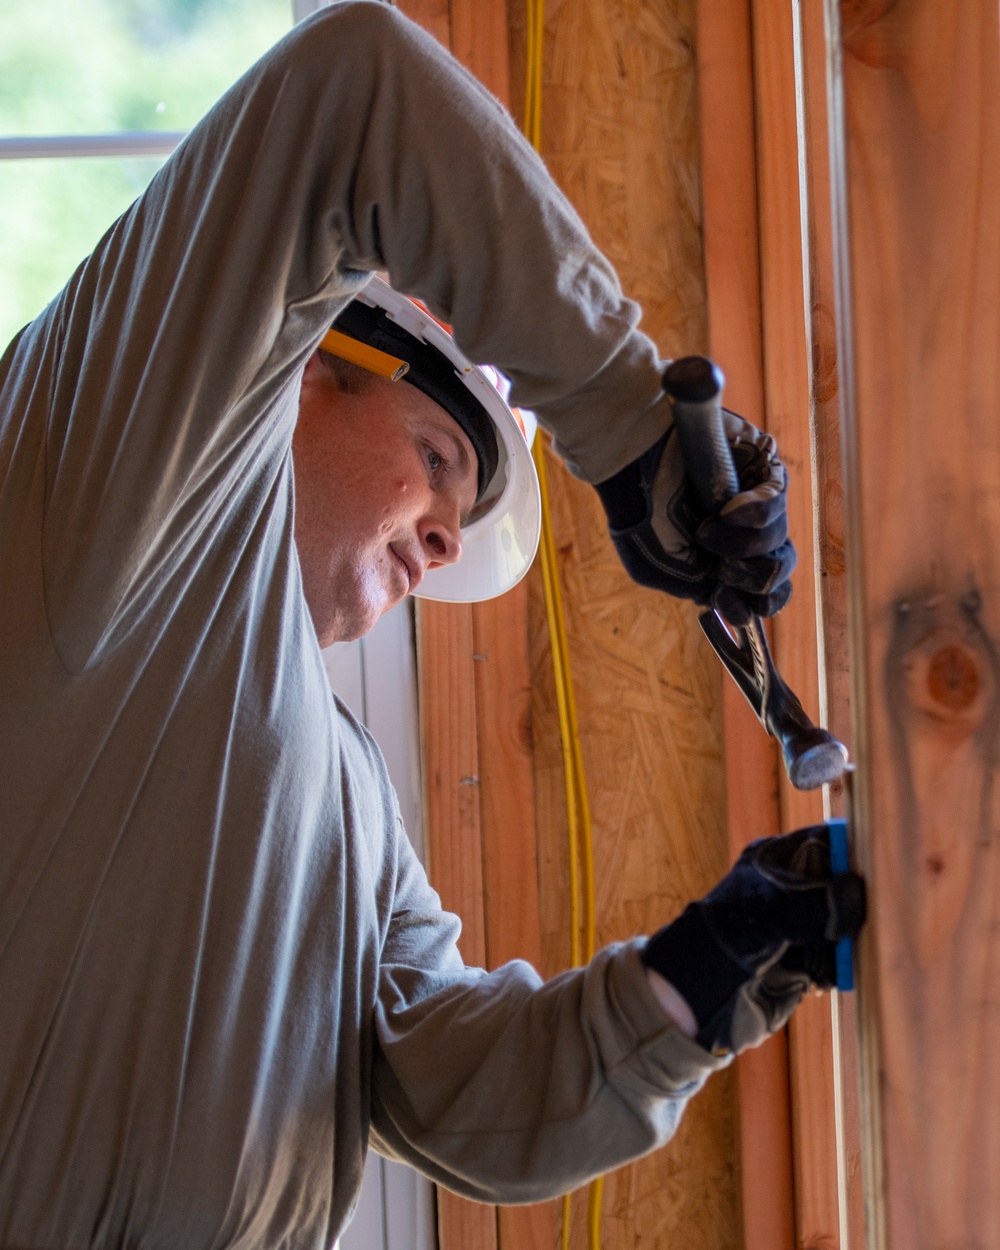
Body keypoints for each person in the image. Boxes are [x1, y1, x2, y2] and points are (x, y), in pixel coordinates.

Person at [0, 3, 864, 1246]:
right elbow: (358, 87)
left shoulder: (348, 801)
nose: (448, 543)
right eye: (437, 457)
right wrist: (632, 433)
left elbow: (463, 1103)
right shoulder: (92, 497)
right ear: (303, 371)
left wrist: (702, 975)